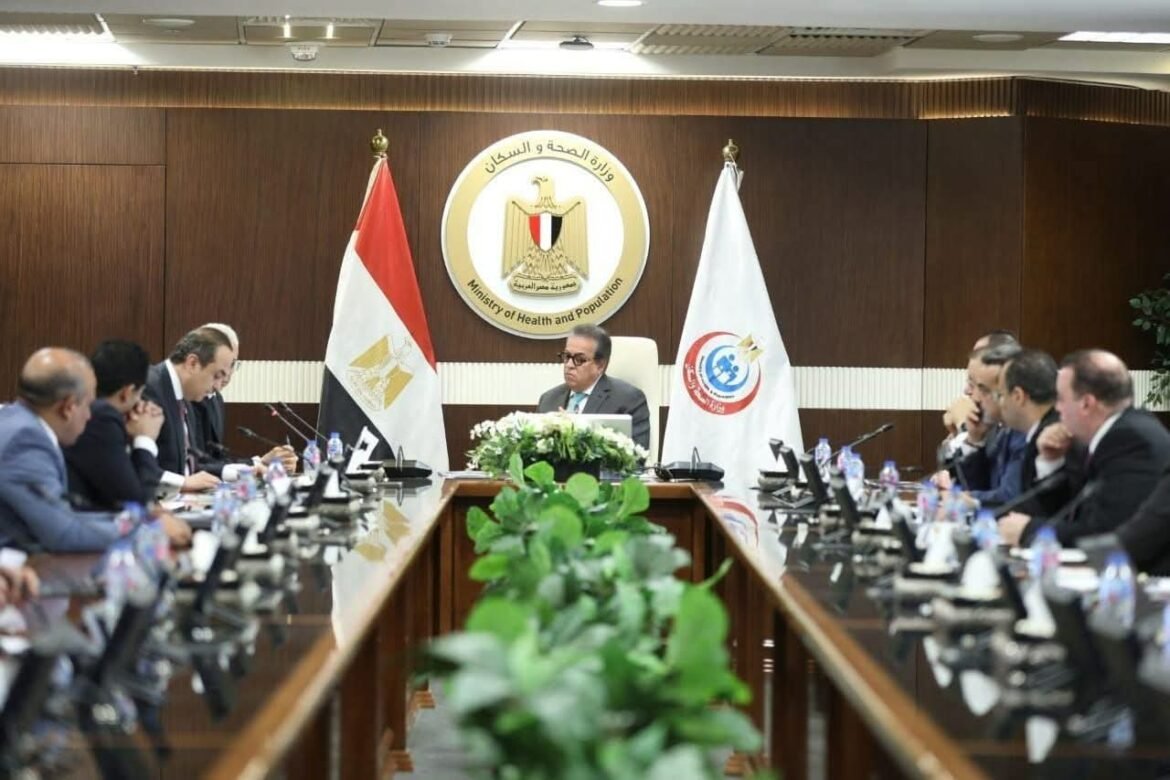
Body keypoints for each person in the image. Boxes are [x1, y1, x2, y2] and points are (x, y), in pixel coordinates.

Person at [0, 348, 189, 552]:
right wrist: (149, 529)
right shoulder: (26, 442)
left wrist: (139, 520)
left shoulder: (18, 422)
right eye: (88, 405)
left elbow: (65, 513)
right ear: (68, 407)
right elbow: (63, 534)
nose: (90, 416)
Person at [1000, 349, 1170, 547]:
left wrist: (1029, 531)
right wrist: (1051, 461)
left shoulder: (1129, 441)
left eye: (1061, 399)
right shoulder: (1106, 437)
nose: (1057, 408)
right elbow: (1067, 509)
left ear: (1087, 404)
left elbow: (1106, 532)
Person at [64, 339, 164, 510]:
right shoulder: (102, 417)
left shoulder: (93, 411)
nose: (140, 403)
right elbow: (137, 503)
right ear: (127, 393)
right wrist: (145, 439)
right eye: (140, 394)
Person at [188, 323, 296, 479]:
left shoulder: (216, 399)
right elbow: (193, 465)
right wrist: (254, 466)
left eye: (233, 364)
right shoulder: (186, 396)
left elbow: (216, 459)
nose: (228, 372)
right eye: (225, 365)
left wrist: (261, 462)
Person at [143, 327, 235, 493]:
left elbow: (187, 462)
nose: (217, 387)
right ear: (192, 363)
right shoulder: (149, 387)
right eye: (216, 376)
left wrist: (234, 472)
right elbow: (135, 466)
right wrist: (182, 483)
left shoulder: (185, 397)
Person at [933, 343, 1026, 507]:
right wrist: (973, 440)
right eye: (971, 383)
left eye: (982, 388)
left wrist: (960, 499)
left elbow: (1008, 498)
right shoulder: (1001, 429)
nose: (973, 395)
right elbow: (979, 487)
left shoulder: (1021, 432)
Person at [994, 348, 1080, 521]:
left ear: (1018, 396)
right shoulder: (1041, 429)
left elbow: (1043, 510)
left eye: (1000, 395)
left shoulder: (1055, 437)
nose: (999, 404)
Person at [537, 324, 650, 451]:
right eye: (567, 356)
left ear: (600, 366)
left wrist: (574, 431)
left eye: (579, 359)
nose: (569, 365)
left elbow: (636, 456)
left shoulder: (629, 401)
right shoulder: (548, 400)